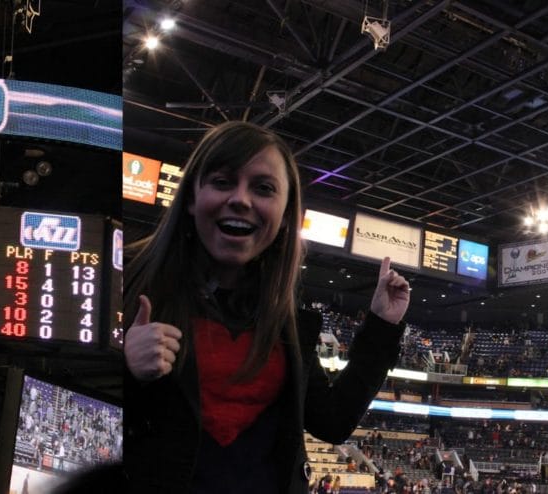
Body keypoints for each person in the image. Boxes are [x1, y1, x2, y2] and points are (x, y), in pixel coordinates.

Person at [123, 121, 410, 493]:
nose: (241, 199)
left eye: (263, 188)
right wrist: (127, 367)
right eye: (223, 181)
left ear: (286, 212)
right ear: (192, 198)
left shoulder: (287, 319)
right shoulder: (130, 280)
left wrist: (382, 326)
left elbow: (333, 421)